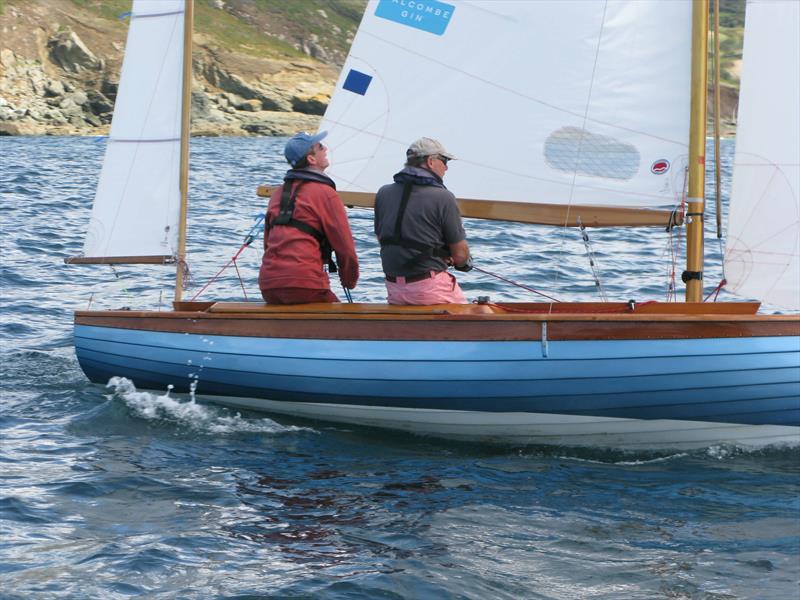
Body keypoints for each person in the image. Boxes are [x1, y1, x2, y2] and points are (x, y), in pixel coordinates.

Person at [258, 131, 358, 304]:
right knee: (344, 325)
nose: (325, 148)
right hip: (304, 285)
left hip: (268, 285)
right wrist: (349, 280)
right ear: (311, 159)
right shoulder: (326, 194)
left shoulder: (278, 194)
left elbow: (268, 242)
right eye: (320, 147)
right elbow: (345, 248)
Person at [374, 137, 472, 305]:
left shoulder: (383, 193)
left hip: (393, 289)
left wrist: (435, 253)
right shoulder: (443, 197)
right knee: (471, 322)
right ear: (430, 161)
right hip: (430, 290)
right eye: (445, 160)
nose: (447, 167)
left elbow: (383, 237)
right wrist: (463, 263)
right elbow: (460, 254)